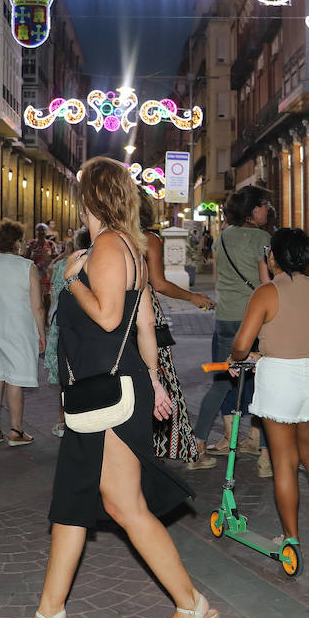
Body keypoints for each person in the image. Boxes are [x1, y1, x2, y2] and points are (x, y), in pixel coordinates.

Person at [3, 157, 218, 618]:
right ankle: (51, 613)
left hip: (110, 398)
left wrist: (70, 277)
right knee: (73, 501)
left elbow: (106, 317)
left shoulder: (102, 249)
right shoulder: (133, 249)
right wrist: (158, 384)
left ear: (89, 199)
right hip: (116, 392)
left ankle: (191, 606)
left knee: (124, 505)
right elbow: (143, 326)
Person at [228, 227, 309, 552]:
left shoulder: (267, 292)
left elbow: (241, 344)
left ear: (274, 257)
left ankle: (291, 537)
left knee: (284, 461)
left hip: (280, 379)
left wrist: (241, 356)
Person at [188, 187, 272, 474]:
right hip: (254, 319)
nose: (267, 210)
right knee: (264, 384)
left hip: (225, 318)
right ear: (254, 209)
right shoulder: (262, 238)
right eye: (264, 206)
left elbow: (217, 278)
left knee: (222, 383)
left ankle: (197, 446)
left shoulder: (221, 237)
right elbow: (264, 283)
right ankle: (265, 458)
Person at [140, 191, 212, 462]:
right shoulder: (149, 239)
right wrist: (192, 296)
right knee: (159, 377)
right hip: (145, 312)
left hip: (114, 315)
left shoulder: (109, 237)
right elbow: (158, 283)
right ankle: (163, 446)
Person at [0, 221, 45, 448]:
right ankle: (16, 430)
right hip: (19, 329)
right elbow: (36, 306)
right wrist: (42, 333)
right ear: (18, 242)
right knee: (15, 380)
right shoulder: (26, 266)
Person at [44, 228, 91, 439]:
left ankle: (65, 421)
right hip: (87, 323)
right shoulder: (95, 264)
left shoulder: (64, 264)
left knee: (66, 377)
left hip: (62, 324)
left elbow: (53, 290)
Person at [25, 223, 55, 311]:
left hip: (46, 274)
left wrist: (50, 256)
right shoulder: (31, 244)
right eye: (39, 230)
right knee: (34, 294)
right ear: (36, 232)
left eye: (43, 230)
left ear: (47, 232)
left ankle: (46, 318)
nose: (41, 232)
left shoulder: (50, 244)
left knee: (47, 296)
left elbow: (55, 257)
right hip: (34, 273)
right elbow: (26, 258)